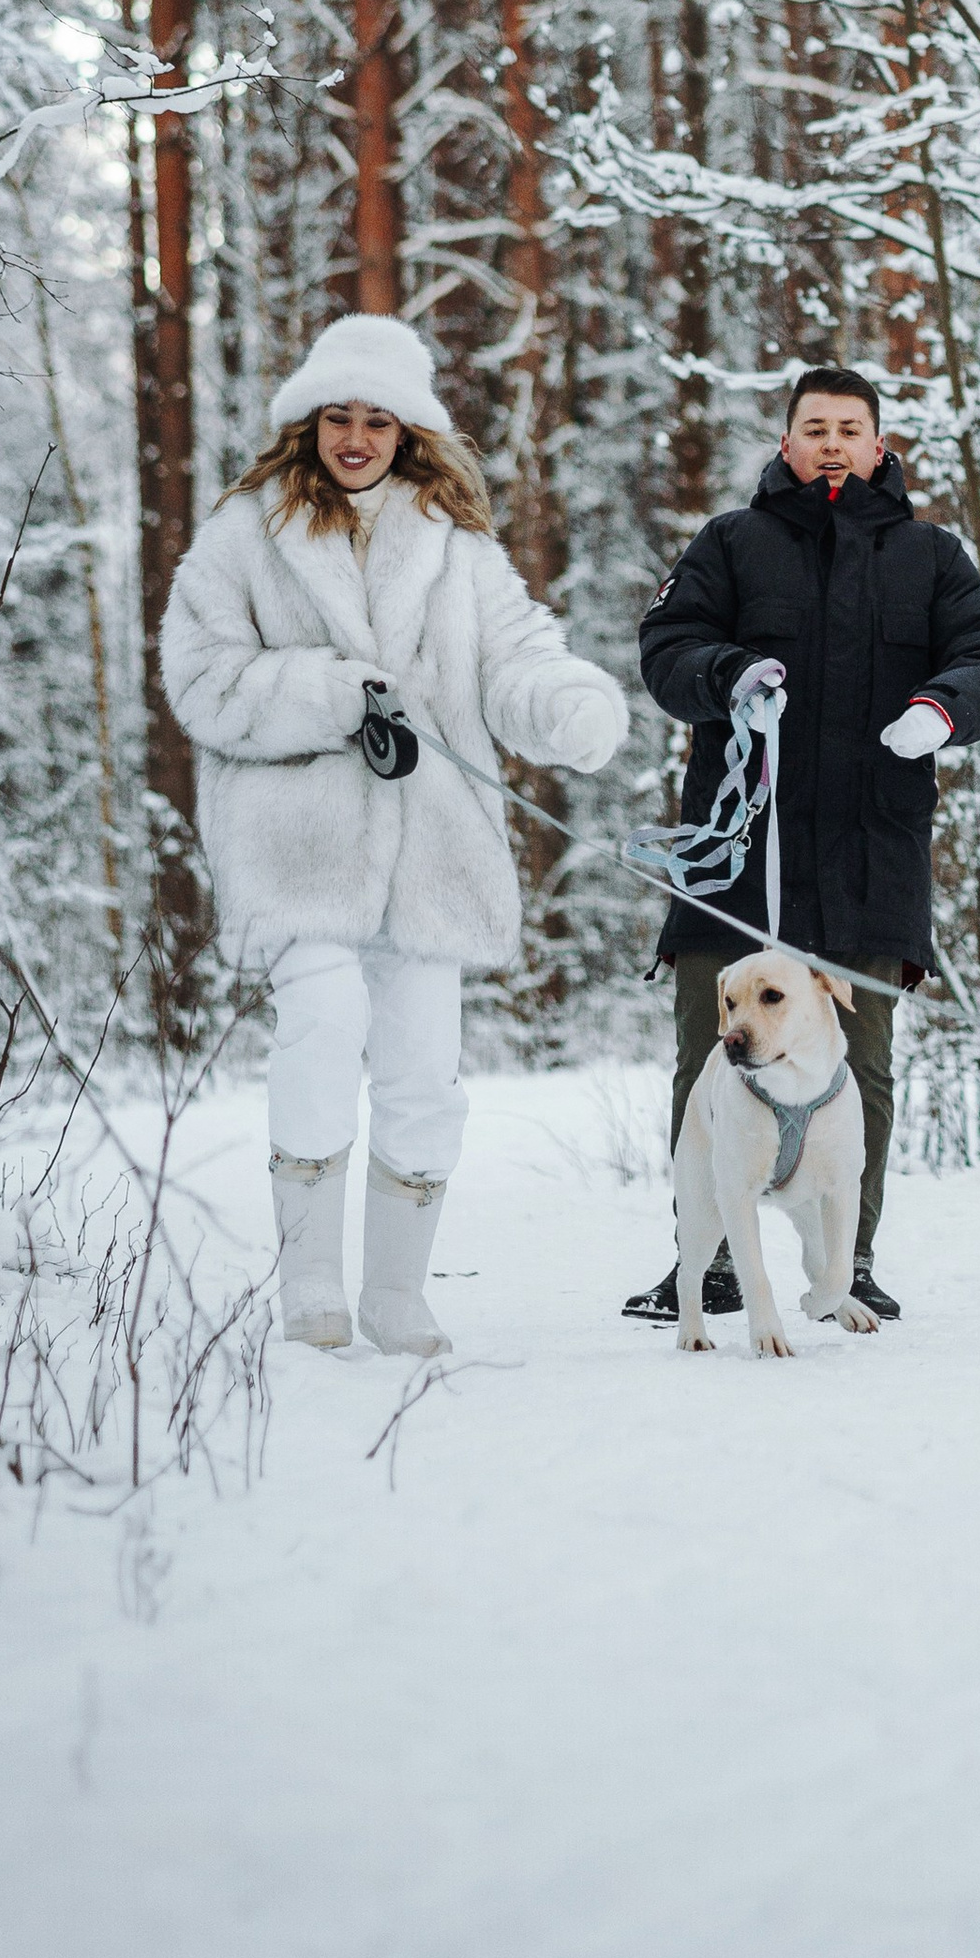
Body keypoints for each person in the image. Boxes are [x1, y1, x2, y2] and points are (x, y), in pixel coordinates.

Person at [161, 312, 629, 1358]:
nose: (356, 438)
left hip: (431, 853)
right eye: (339, 418)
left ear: (410, 431)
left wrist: (567, 704)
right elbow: (200, 678)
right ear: (309, 424)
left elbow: (515, 656)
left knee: (424, 1068)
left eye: (378, 421)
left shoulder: (456, 548)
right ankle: (309, 1283)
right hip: (296, 847)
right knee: (323, 1023)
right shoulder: (245, 534)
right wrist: (331, 694)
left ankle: (395, 1293)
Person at [628, 364, 980, 1324]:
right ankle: (710, 1263)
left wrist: (943, 710)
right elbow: (666, 648)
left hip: (869, 861)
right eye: (815, 428)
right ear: (787, 443)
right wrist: (726, 673)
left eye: (850, 429)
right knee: (710, 1059)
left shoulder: (931, 555)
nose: (832, 444)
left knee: (862, 1065)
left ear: (878, 447)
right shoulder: (730, 543)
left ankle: (849, 1263)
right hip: (733, 856)